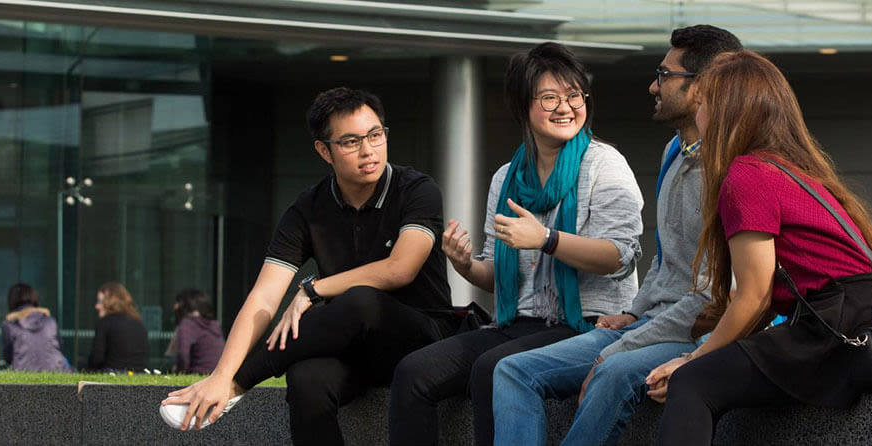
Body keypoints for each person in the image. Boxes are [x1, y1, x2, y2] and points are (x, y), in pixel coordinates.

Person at [489, 25, 742, 446]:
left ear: (703, 87)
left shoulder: (729, 170)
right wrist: (635, 313)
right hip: (648, 320)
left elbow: (712, 297)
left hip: (694, 332)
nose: (652, 86)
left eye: (664, 76)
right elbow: (665, 256)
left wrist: (622, 345)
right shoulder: (674, 150)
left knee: (611, 370)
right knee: (511, 369)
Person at [160, 87, 456, 445]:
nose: (368, 151)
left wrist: (312, 289)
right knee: (305, 379)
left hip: (423, 341)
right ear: (323, 150)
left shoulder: (416, 189)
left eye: (376, 135)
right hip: (355, 348)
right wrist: (220, 372)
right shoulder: (307, 209)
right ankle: (230, 382)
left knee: (361, 300)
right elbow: (264, 299)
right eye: (350, 142)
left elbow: (400, 269)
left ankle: (241, 384)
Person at [389, 42, 644, 446]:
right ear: (523, 105)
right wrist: (465, 265)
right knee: (413, 372)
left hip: (589, 324)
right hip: (517, 323)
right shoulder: (507, 178)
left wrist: (546, 239)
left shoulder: (603, 164)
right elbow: (493, 275)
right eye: (549, 98)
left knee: (493, 367)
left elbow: (618, 257)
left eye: (574, 95)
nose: (566, 107)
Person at [645, 50, 872, 446]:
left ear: (726, 112)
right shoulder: (792, 168)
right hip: (860, 321)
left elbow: (754, 294)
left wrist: (691, 360)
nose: (698, 115)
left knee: (692, 383)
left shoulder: (746, 175)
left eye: (703, 104)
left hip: (833, 331)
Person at [2, 283, 72, 372]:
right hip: (56, 370)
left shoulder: (10, 324)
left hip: (23, 370)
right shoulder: (50, 321)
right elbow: (60, 347)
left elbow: (8, 357)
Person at [88, 282, 149, 372]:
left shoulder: (105, 323)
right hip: (140, 373)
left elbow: (96, 359)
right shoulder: (138, 323)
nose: (96, 306)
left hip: (112, 371)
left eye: (100, 302)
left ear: (110, 302)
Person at [169, 289, 225, 374]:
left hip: (199, 372)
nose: (175, 307)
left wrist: (179, 371)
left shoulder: (188, 323)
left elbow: (183, 355)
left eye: (177, 302)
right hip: (216, 374)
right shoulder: (214, 324)